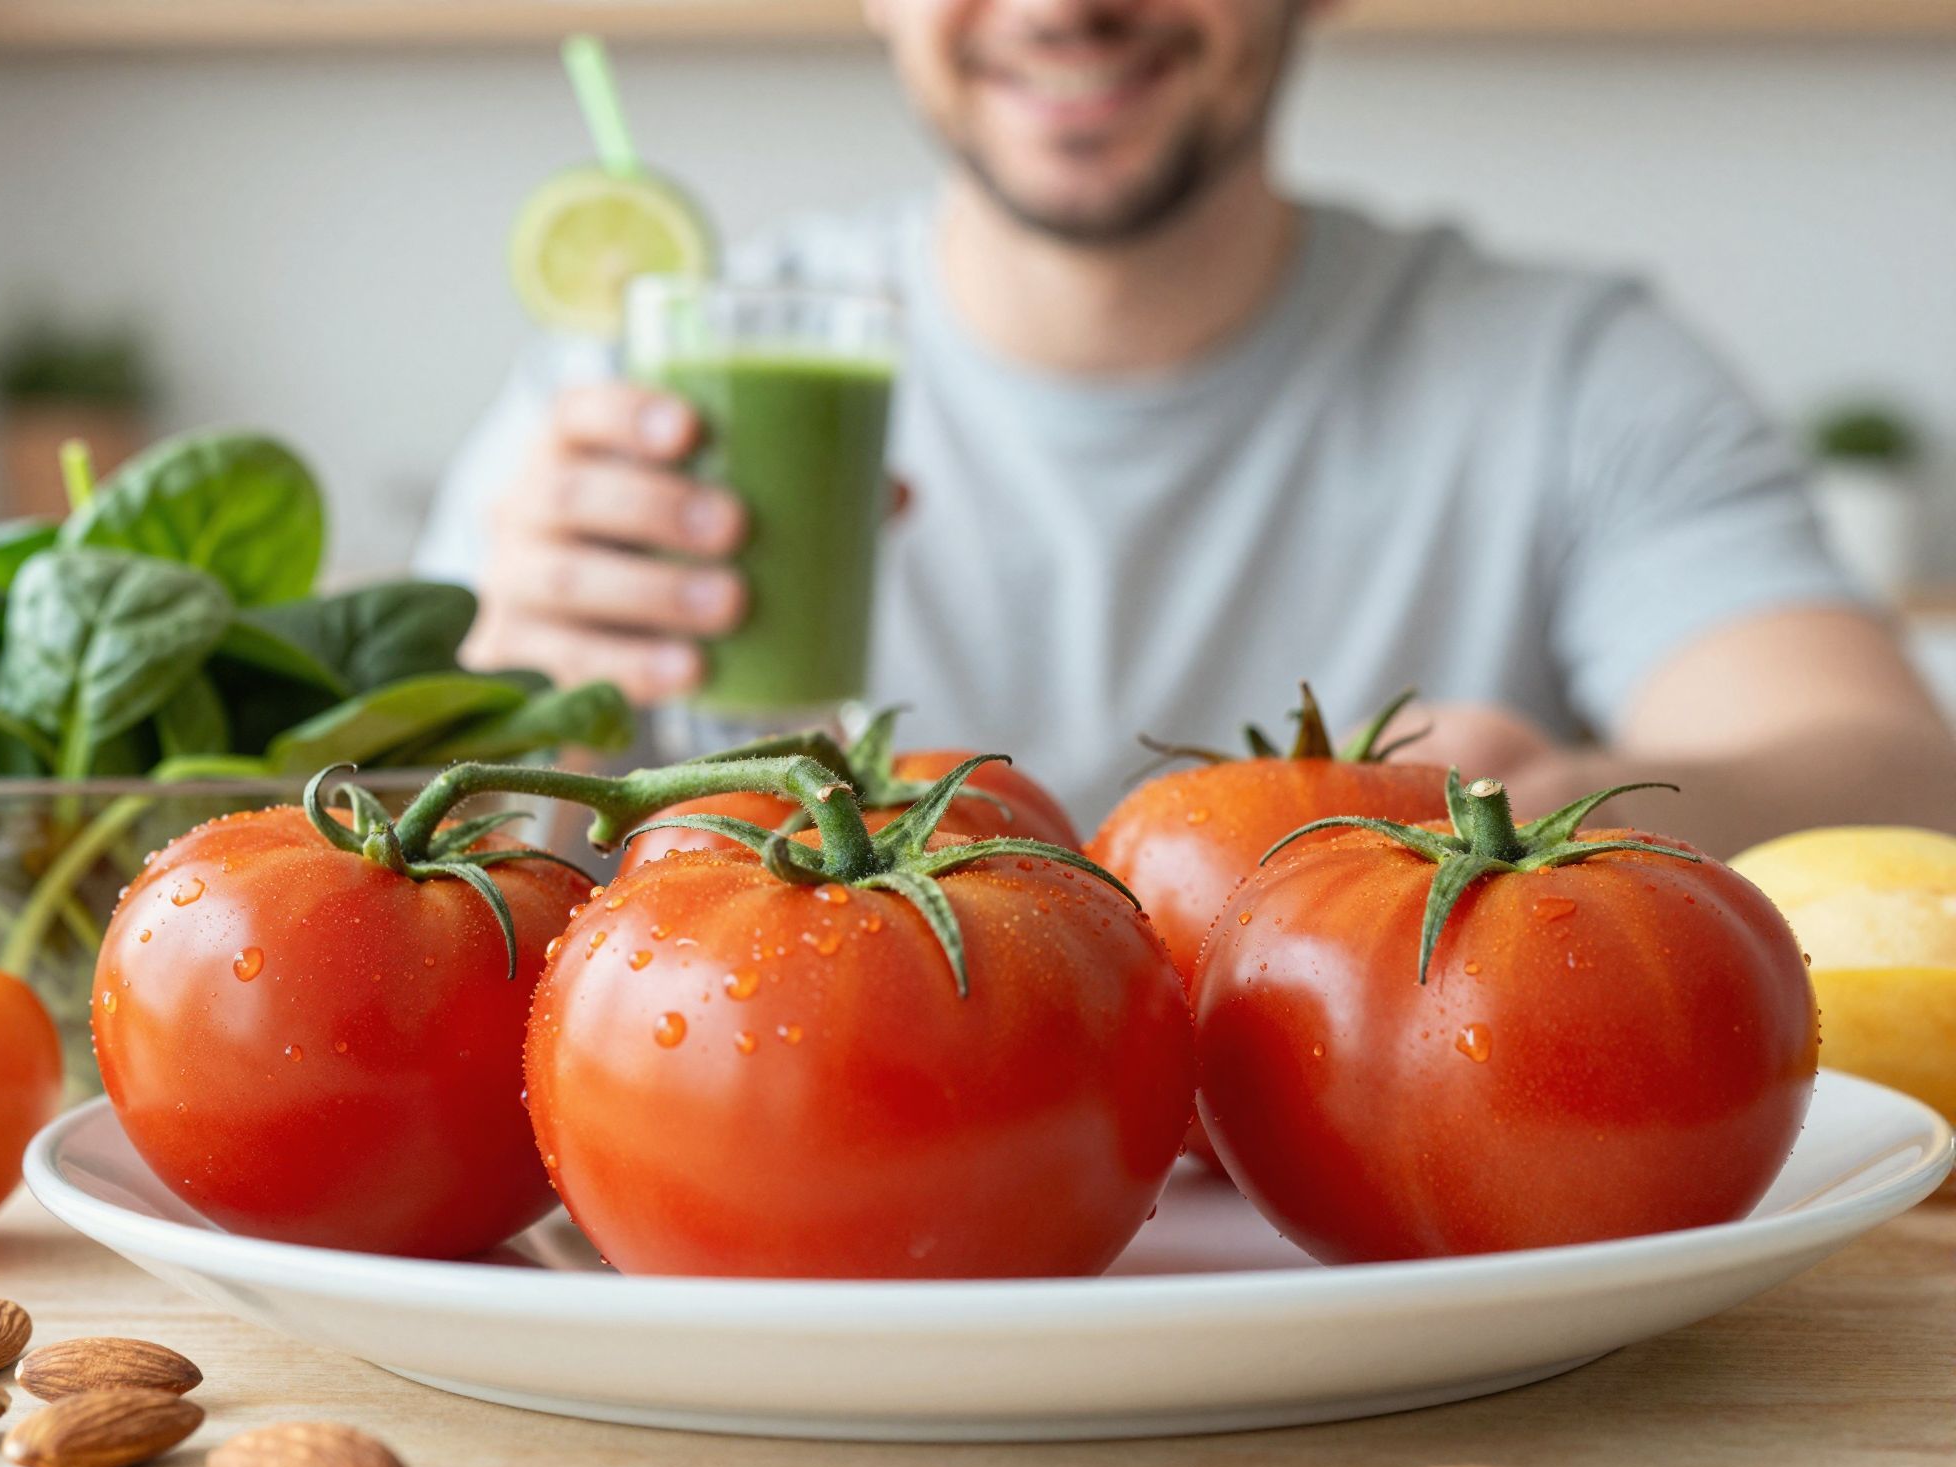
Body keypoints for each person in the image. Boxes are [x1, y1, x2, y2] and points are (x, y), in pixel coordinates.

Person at [421, 0, 1956, 851]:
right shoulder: (647, 388)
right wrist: (509, 707)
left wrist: (1558, 813)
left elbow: (1898, 783)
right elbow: (381, 882)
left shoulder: (1572, 374)